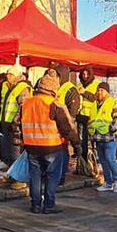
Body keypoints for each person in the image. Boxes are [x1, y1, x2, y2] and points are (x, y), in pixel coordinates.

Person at [21, 70, 77, 213]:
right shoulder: (54, 105)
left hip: (31, 146)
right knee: (52, 176)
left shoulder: (26, 103)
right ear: (53, 89)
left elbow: (16, 123)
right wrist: (76, 143)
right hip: (51, 146)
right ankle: (49, 205)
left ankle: (36, 205)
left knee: (35, 176)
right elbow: (66, 128)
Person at [89, 84, 117, 193]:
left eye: (102, 90)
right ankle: (108, 182)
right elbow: (92, 119)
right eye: (98, 90)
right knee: (102, 161)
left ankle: (116, 180)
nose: (99, 92)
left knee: (110, 159)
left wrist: (112, 128)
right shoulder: (94, 104)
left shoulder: (113, 102)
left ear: (107, 92)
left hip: (109, 137)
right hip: (98, 137)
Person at [0, 68, 30, 172]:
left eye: (11, 74)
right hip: (7, 122)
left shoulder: (22, 87)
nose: (8, 76)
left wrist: (16, 122)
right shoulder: (12, 86)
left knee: (15, 152)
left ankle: (17, 178)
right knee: (10, 150)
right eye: (7, 74)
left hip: (15, 125)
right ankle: (12, 174)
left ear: (17, 75)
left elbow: (23, 107)